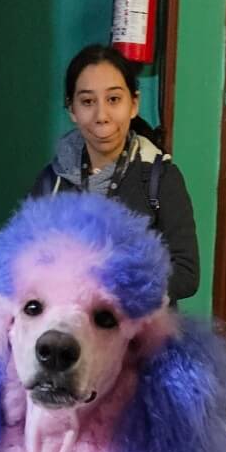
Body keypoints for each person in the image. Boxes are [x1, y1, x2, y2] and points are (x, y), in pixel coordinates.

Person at [30, 44, 201, 301]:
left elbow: (187, 273)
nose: (102, 116)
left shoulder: (160, 178)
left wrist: (119, 290)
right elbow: (27, 260)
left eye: (113, 99)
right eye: (87, 102)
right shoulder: (51, 181)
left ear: (134, 104)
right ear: (72, 109)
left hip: (140, 324)